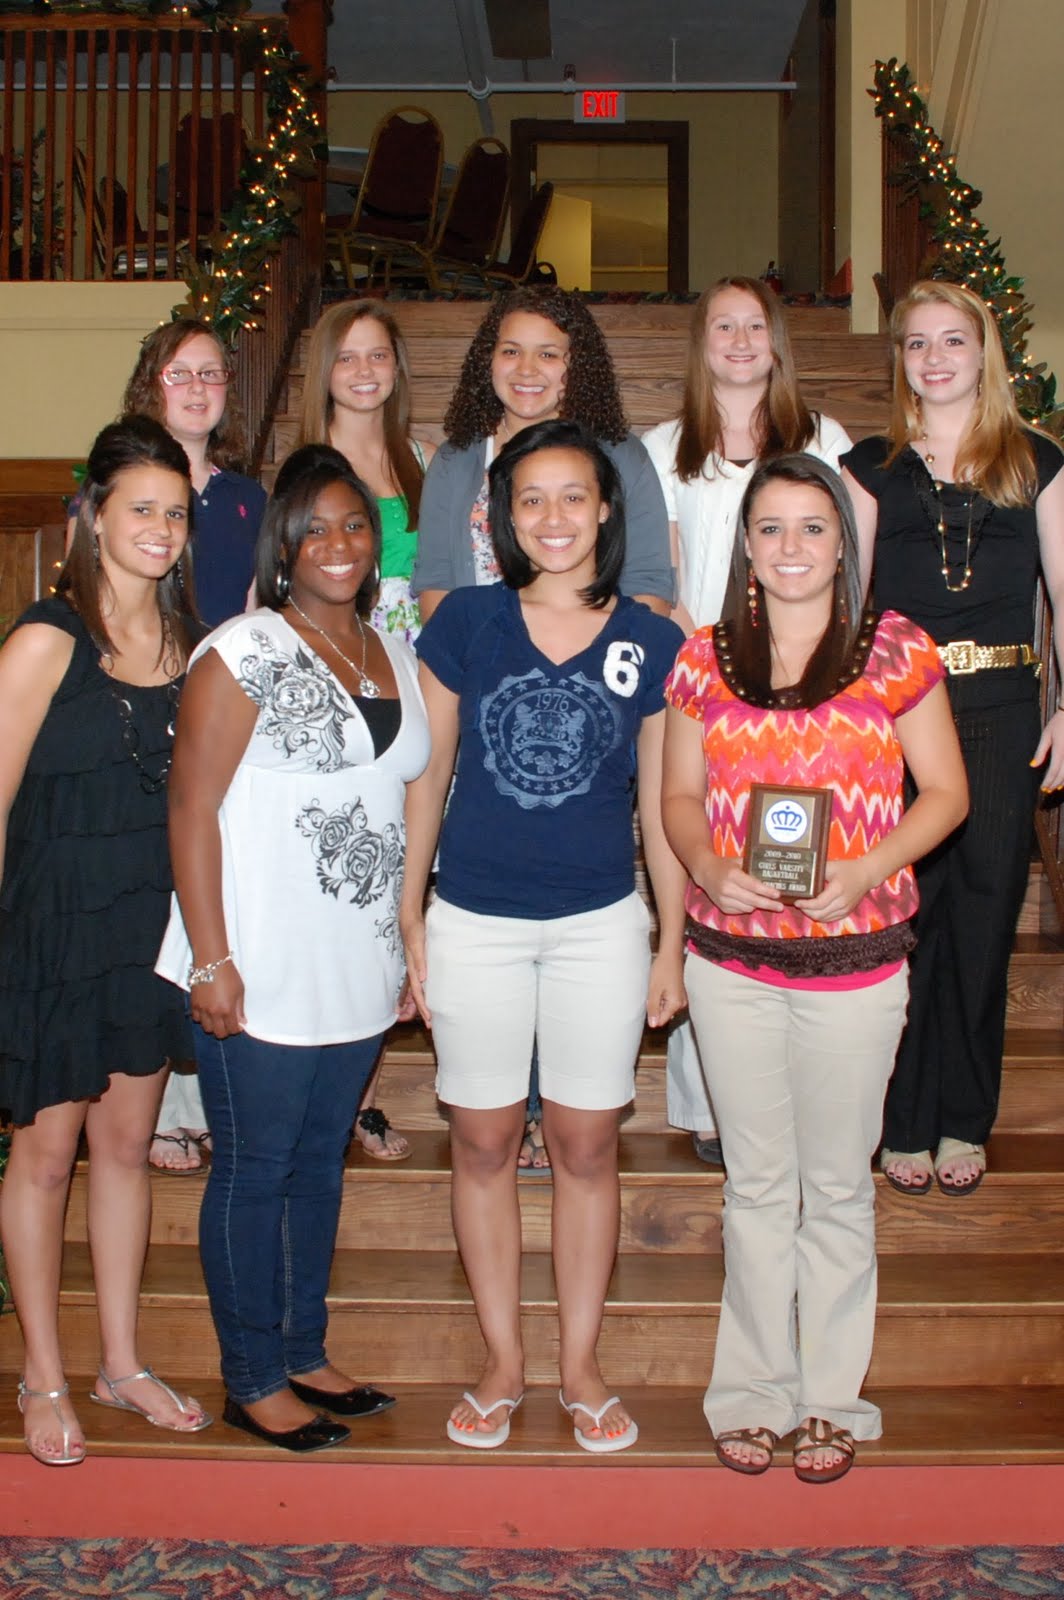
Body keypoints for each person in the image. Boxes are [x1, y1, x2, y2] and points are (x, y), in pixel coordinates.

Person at [662, 454, 968, 1482]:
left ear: (843, 544)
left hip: (857, 962)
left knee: (835, 1187)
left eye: (811, 527)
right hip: (731, 964)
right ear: (744, 548)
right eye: (770, 528)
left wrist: (867, 868)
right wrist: (708, 863)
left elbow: (946, 793)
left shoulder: (895, 649)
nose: (790, 547)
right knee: (756, 1187)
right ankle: (751, 1394)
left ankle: (832, 1400)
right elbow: (676, 798)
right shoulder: (702, 659)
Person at [400, 419, 687, 1453]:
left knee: (585, 1145)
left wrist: (668, 940)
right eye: (531, 499)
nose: (553, 517)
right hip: (474, 918)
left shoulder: (651, 639)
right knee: (481, 1143)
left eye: (573, 496)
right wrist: (408, 914)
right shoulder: (466, 623)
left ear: (605, 509)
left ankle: (578, 1367)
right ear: (500, 518)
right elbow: (427, 777)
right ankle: (502, 1362)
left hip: (598, 923)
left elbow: (662, 804)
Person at [157, 444, 430, 1453]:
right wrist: (211, 958)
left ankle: (303, 1351)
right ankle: (251, 1377)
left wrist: (402, 950)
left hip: (353, 960)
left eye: (354, 524)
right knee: (256, 1165)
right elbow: (190, 807)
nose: (338, 543)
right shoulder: (243, 648)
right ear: (282, 544)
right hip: (257, 957)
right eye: (314, 528)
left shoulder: (392, 650)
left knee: (319, 1164)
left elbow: (401, 800)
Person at [411, 285, 674, 1168]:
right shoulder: (459, 460)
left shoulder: (618, 457)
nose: (528, 369)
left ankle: (546, 1111)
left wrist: (587, 653)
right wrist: (502, 648)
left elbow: (649, 584)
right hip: (483, 683)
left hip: (595, 699)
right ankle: (511, 1110)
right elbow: (437, 583)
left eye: (549, 352)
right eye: (510, 350)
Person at [0, 416, 212, 1467]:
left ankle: (120, 1363)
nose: (161, 529)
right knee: (45, 1158)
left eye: (175, 513)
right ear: (93, 515)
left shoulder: (193, 646)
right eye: (141, 508)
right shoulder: (47, 638)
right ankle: (42, 1372)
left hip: (146, 931)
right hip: (50, 932)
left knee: (126, 1149)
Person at [841, 280, 1064, 1197]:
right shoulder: (870, 466)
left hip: (1004, 710)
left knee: (982, 916)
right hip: (897, 715)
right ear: (900, 360)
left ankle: (964, 1118)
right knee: (904, 919)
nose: (934, 358)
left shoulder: (1037, 461)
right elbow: (846, 606)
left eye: (953, 341)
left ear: (984, 354)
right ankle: (901, 1122)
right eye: (917, 343)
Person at [643, 275, 852, 1166]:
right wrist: (714, 656)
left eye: (754, 325)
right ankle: (709, 1104)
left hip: (811, 690)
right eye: (722, 326)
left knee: (798, 874)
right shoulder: (664, 447)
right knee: (715, 879)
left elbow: (848, 561)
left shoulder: (823, 438)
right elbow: (658, 575)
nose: (738, 340)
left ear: (777, 341)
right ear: (701, 342)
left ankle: (807, 1092)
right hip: (707, 685)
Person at [116, 318, 267, 1172]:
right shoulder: (121, 488)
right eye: (182, 373)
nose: (199, 388)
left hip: (224, 716)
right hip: (144, 708)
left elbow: (257, 609)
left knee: (213, 890)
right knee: (152, 896)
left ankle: (212, 1094)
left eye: (213, 373)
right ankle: (163, 1103)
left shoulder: (246, 497)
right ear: (153, 383)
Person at [298, 299, 437, 1160]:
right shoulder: (306, 467)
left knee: (396, 888)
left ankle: (368, 1088)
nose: (362, 371)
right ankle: (345, 1091)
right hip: (334, 687)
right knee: (347, 883)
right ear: (325, 370)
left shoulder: (420, 460)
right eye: (346, 356)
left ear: (396, 368)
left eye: (377, 355)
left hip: (413, 686)